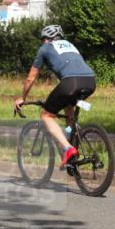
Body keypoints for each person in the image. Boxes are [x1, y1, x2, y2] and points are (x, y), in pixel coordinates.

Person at [15, 25, 97, 167]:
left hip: (71, 82)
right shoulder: (71, 46)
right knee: (68, 105)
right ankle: (72, 145)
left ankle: (68, 149)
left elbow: (30, 78)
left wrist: (23, 97)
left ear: (46, 39)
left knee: (46, 115)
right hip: (90, 81)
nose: (42, 43)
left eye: (42, 40)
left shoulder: (45, 48)